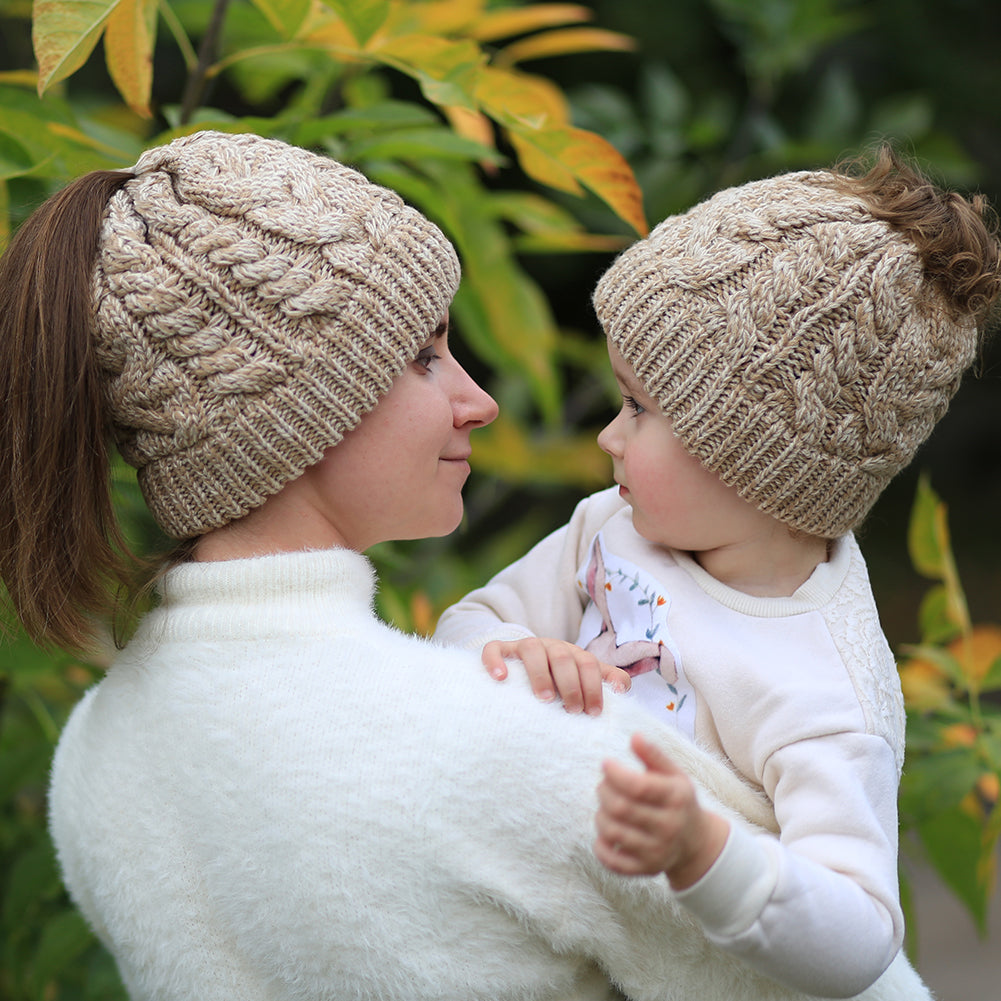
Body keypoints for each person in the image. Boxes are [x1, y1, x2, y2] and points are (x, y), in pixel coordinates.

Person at [0, 131, 934, 1001]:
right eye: (423, 356)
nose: (479, 401)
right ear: (296, 412)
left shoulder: (92, 756)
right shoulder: (538, 752)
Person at [436, 146, 1001, 993]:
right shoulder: (611, 527)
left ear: (749, 462)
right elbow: (461, 629)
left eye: (637, 408)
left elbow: (860, 936)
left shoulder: (824, 687)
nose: (608, 438)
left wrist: (707, 853)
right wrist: (513, 648)